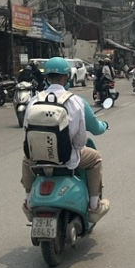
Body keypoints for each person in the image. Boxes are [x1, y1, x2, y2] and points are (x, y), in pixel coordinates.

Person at [20, 57, 110, 223]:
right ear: (66, 77)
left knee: (26, 161)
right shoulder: (76, 101)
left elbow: (26, 131)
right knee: (95, 159)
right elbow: (82, 139)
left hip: (37, 159)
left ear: (46, 78)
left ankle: (27, 202)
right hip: (68, 158)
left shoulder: (34, 100)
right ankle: (95, 205)